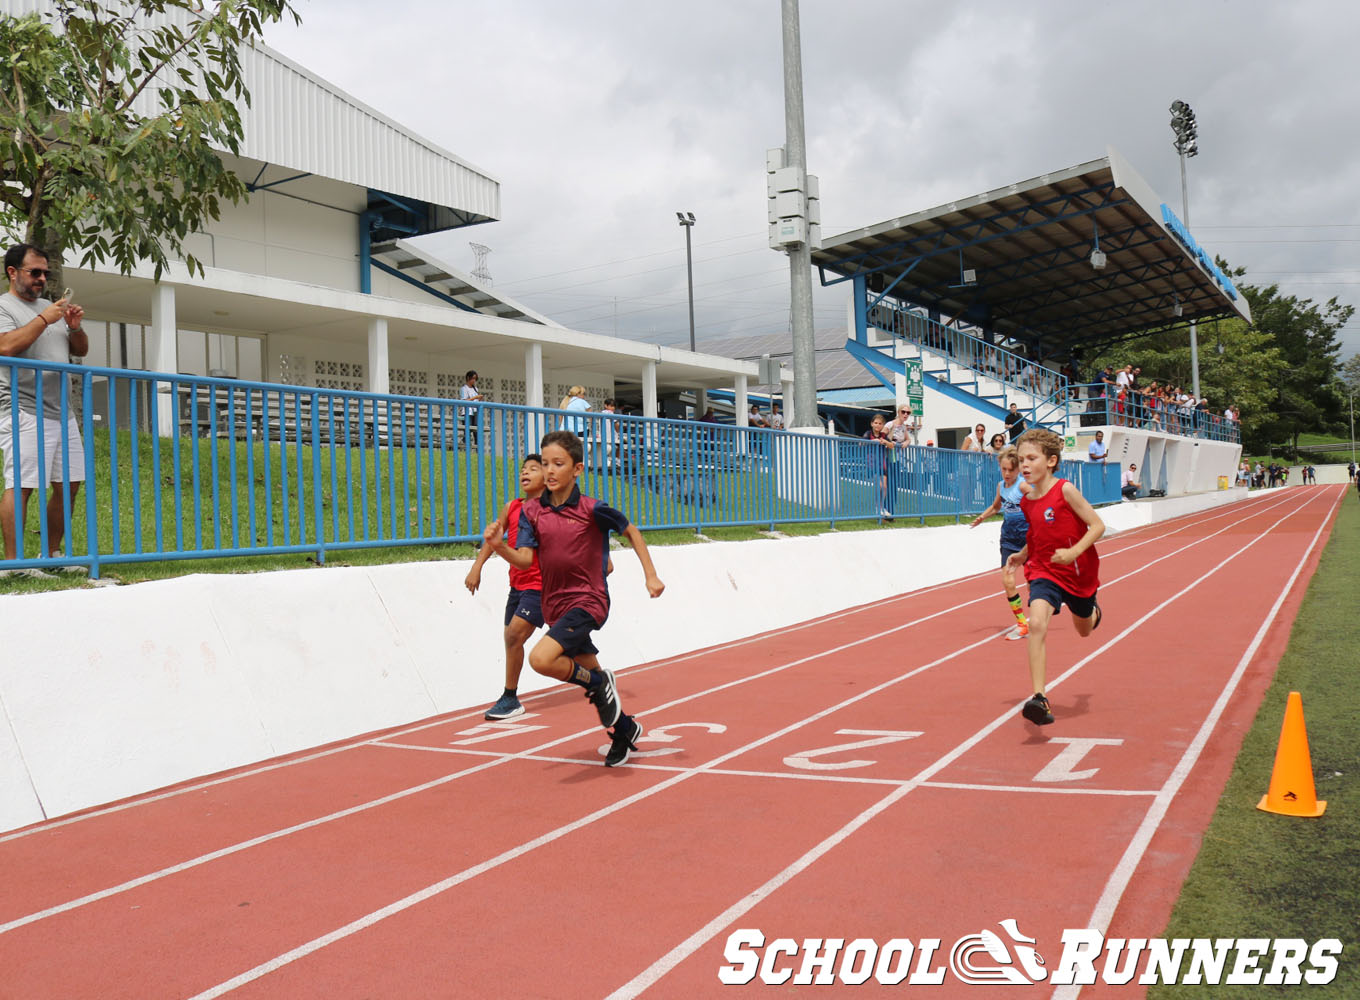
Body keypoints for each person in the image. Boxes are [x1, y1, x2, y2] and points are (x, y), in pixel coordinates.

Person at [483, 429, 664, 767]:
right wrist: (499, 547)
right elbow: (525, 559)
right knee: (601, 697)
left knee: (542, 659)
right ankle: (625, 730)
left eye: (558, 464)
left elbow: (631, 531)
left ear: (577, 469)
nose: (549, 471)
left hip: (588, 601)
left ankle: (598, 682)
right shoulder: (532, 512)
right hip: (555, 606)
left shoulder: (593, 509)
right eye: (545, 463)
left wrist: (650, 575)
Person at [1006, 428, 1105, 726]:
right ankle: (1040, 697)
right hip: (1043, 570)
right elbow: (1038, 532)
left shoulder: (1065, 490)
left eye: (1031, 458)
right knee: (1035, 623)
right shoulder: (1027, 499)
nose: (1024, 465)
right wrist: (1024, 553)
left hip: (1077, 572)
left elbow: (1097, 525)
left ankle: (1093, 610)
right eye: (1021, 459)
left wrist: (1074, 552)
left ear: (1050, 461)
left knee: (1084, 629)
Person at [0, 243, 89, 568]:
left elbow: (80, 350)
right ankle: (14, 565)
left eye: (45, 273)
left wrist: (74, 325)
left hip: (61, 411)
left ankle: (51, 555)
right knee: (22, 485)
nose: (41, 278)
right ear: (13, 272)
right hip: (22, 408)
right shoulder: (5, 306)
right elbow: (6, 346)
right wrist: (43, 318)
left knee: (70, 485)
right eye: (34, 272)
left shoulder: (50, 308)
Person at [464, 455, 548, 720]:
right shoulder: (512, 506)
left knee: (513, 637)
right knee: (511, 641)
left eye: (533, 469)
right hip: (517, 586)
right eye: (523, 470)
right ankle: (510, 697)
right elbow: (494, 538)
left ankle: (509, 697)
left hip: (540, 587)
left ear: (547, 478)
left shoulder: (550, 511)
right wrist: (477, 567)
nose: (526, 473)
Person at [969, 445, 1030, 639]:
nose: (1007, 473)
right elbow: (996, 506)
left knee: (1033, 584)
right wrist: (982, 517)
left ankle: (1041, 611)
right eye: (1003, 469)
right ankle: (1022, 623)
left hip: (1028, 539)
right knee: (1007, 580)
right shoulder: (1001, 486)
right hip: (1009, 539)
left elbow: (1040, 504)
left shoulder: (1023, 486)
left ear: (1018, 469)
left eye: (1011, 470)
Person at [863, 412, 895, 520]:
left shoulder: (884, 435)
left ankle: (882, 507)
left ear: (883, 425)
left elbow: (891, 446)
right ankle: (878, 507)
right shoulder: (868, 433)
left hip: (882, 464)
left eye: (880, 423)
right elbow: (861, 443)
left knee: (885, 487)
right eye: (875, 423)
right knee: (880, 486)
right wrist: (873, 441)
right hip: (872, 464)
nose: (877, 425)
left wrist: (885, 442)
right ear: (872, 424)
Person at [459, 370, 483, 448]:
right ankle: (466, 447)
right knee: (467, 430)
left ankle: (477, 449)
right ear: (468, 378)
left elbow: (475, 400)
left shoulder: (475, 388)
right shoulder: (464, 388)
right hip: (467, 412)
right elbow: (464, 401)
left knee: (476, 431)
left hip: (475, 412)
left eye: (475, 379)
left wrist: (478, 398)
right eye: (472, 378)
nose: (474, 380)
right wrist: (475, 397)